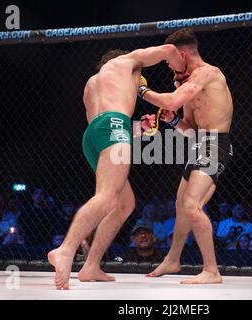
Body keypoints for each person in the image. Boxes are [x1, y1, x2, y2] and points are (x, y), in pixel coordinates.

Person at [47, 45, 185, 289]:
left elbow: (103, 124)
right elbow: (169, 49)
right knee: (107, 196)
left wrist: (137, 129)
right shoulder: (128, 61)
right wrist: (181, 70)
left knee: (124, 203)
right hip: (114, 125)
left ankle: (91, 266)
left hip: (93, 135)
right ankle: (66, 250)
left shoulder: (92, 83)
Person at [140, 29, 234, 284]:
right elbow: (190, 130)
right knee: (182, 204)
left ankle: (211, 271)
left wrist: (140, 89)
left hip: (216, 145)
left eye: (169, 60)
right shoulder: (190, 83)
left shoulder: (207, 74)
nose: (169, 67)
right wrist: (174, 120)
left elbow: (170, 99)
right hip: (200, 145)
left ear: (181, 54)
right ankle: (173, 260)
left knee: (192, 205)